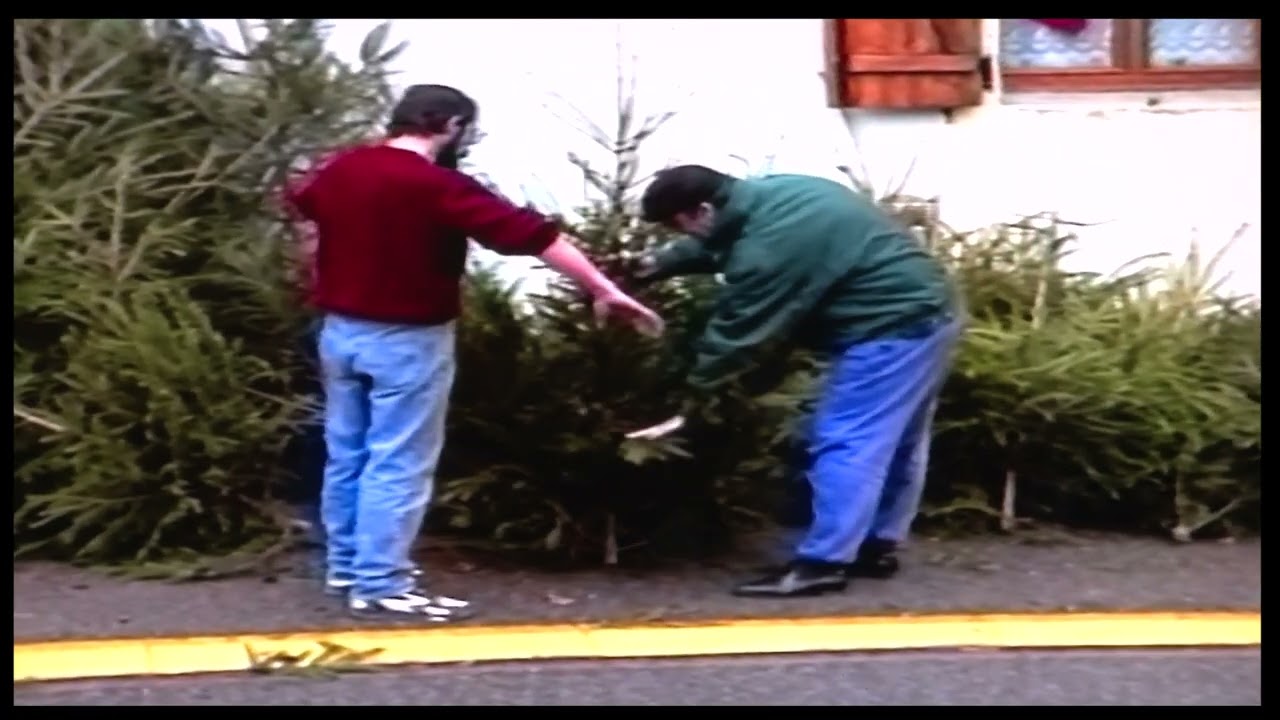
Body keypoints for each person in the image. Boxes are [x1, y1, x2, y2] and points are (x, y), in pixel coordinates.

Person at [284, 84, 663, 620]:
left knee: (348, 452)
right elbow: (532, 237)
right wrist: (603, 288)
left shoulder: (345, 169)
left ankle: (347, 567)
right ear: (451, 125)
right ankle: (381, 582)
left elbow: (302, 201)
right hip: (408, 340)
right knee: (399, 460)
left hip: (340, 333)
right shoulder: (437, 185)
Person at [632, 165, 961, 598]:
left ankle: (823, 564)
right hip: (930, 312)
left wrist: (691, 402)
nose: (682, 233)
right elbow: (717, 242)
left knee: (846, 440)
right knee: (898, 440)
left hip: (891, 330)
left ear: (704, 209)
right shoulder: (775, 193)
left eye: (679, 224)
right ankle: (875, 545)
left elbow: (736, 335)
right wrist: (654, 265)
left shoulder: (768, 247)